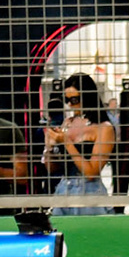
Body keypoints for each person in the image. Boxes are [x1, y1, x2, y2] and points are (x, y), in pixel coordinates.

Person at [44, 73, 115, 216]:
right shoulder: (68, 123)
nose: (70, 104)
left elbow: (91, 172)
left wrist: (67, 143)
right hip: (63, 187)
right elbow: (52, 168)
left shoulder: (103, 127)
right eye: (67, 99)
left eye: (74, 99)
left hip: (88, 191)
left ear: (87, 97)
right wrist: (49, 148)